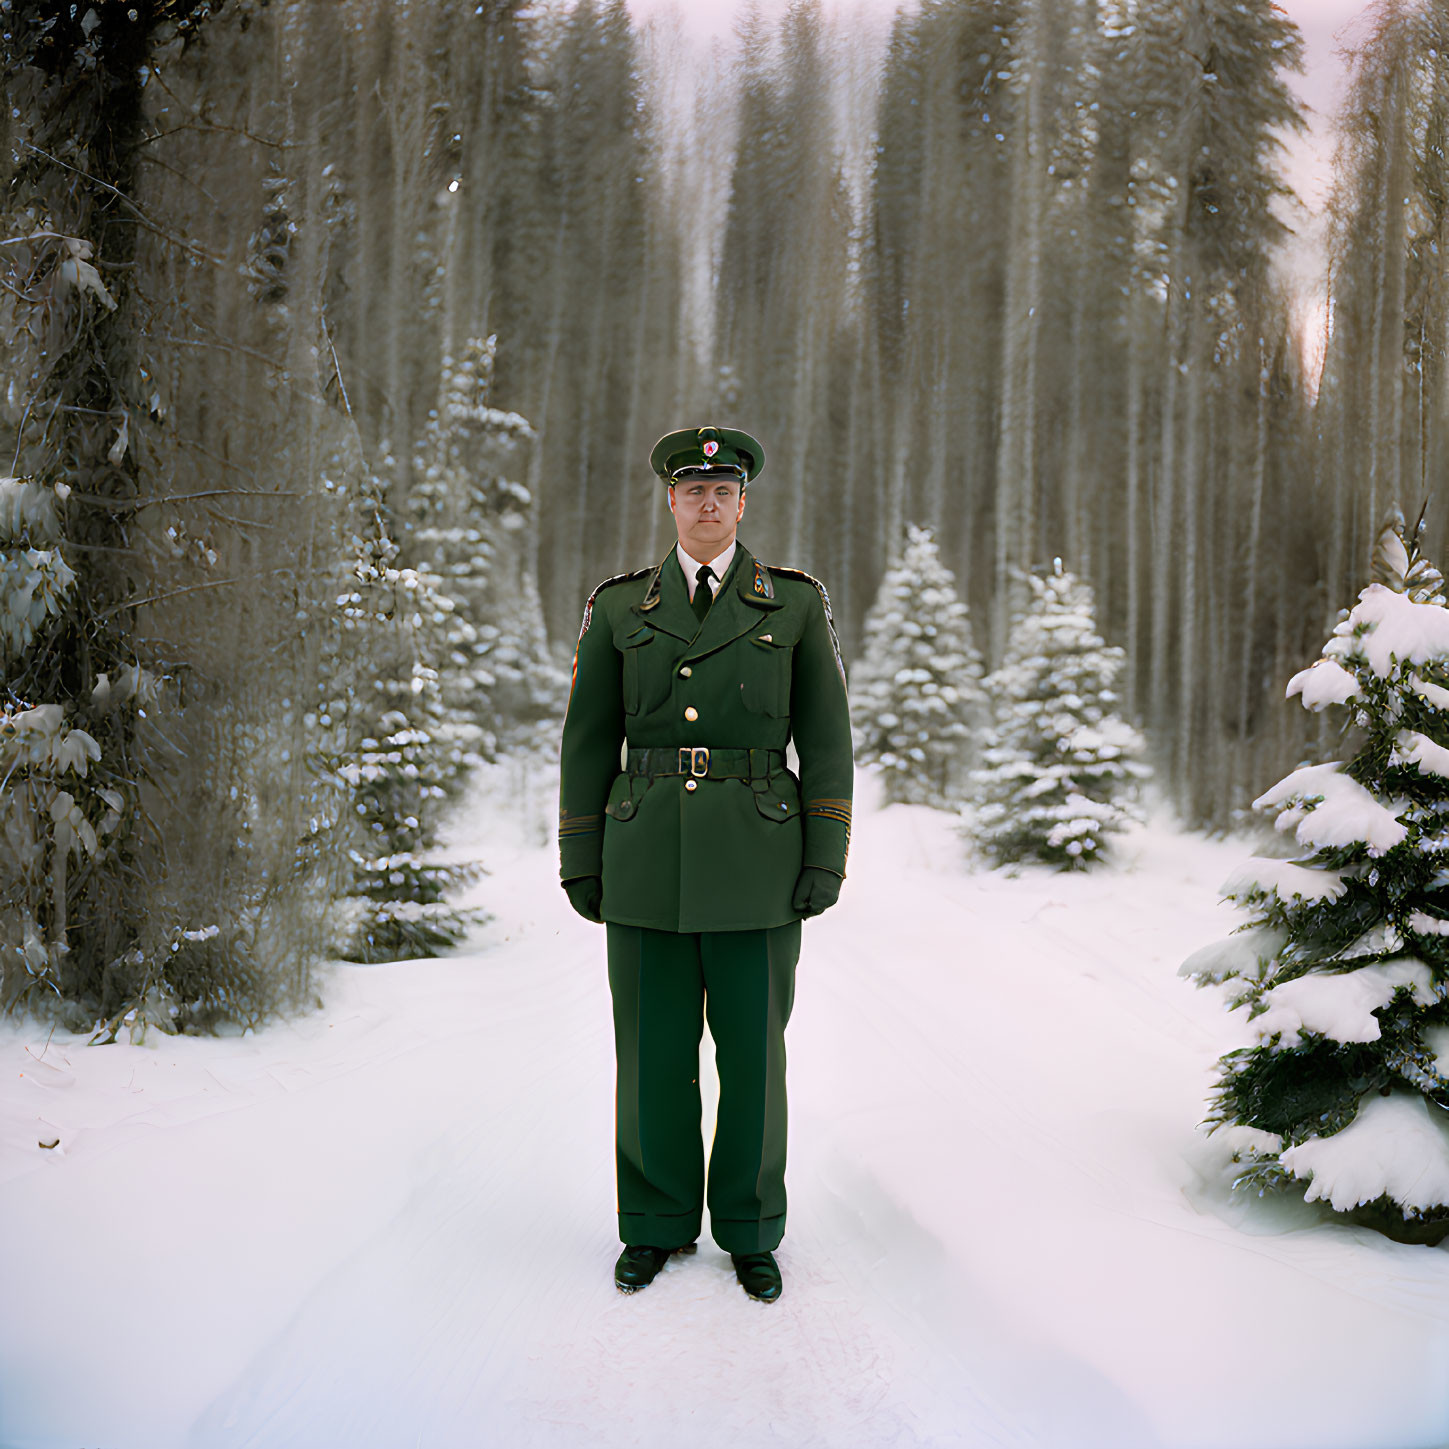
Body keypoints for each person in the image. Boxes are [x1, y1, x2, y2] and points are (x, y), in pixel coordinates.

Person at [557, 424, 853, 1303]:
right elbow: (585, 742)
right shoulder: (619, 608)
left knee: (753, 1057)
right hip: (643, 855)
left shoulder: (791, 605)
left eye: (723, 491)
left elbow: (827, 743)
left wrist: (824, 851)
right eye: (692, 490)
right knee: (650, 1054)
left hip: (759, 860)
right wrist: (582, 851)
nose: (708, 502)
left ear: (743, 502)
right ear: (670, 500)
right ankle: (652, 1224)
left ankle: (752, 1228)